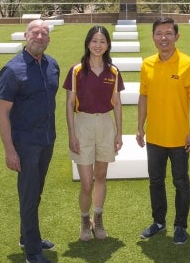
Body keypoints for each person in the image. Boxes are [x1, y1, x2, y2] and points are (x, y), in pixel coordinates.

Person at [0, 19, 60, 263]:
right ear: (26, 35)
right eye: (35, 32)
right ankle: (32, 250)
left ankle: (27, 236)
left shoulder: (52, 65)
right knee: (29, 194)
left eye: (44, 33)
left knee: (36, 191)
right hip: (25, 144)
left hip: (47, 140)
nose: (40, 36)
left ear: (49, 39)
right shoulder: (12, 70)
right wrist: (9, 150)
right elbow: (2, 113)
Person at [136, 17, 190, 245]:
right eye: (159, 34)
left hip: (179, 137)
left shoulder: (189, 65)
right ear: (153, 37)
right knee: (156, 181)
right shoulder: (147, 64)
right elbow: (143, 97)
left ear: (176, 36)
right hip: (154, 136)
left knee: (181, 182)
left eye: (168, 33)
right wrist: (139, 127)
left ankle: (180, 225)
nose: (163, 38)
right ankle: (159, 221)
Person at [63, 25, 124, 241]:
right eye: (95, 41)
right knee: (86, 182)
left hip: (106, 125)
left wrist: (119, 133)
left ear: (108, 45)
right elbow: (69, 104)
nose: (98, 45)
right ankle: (84, 220)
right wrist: (72, 134)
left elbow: (117, 104)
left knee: (101, 176)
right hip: (83, 124)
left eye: (103, 41)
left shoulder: (113, 71)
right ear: (88, 43)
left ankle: (98, 219)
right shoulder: (77, 70)